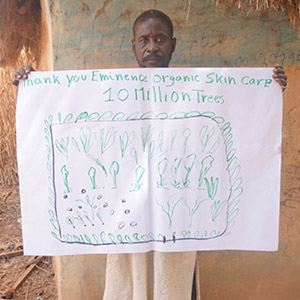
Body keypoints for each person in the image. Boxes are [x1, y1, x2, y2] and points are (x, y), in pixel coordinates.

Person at [12, 9, 288, 300]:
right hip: (126, 215)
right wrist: (31, 89)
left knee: (176, 284)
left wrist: (268, 91)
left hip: (179, 216)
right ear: (133, 46)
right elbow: (61, 116)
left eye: (160, 39)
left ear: (173, 45)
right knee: (129, 282)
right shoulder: (106, 93)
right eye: (144, 39)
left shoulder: (197, 91)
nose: (152, 46)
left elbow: (242, 120)